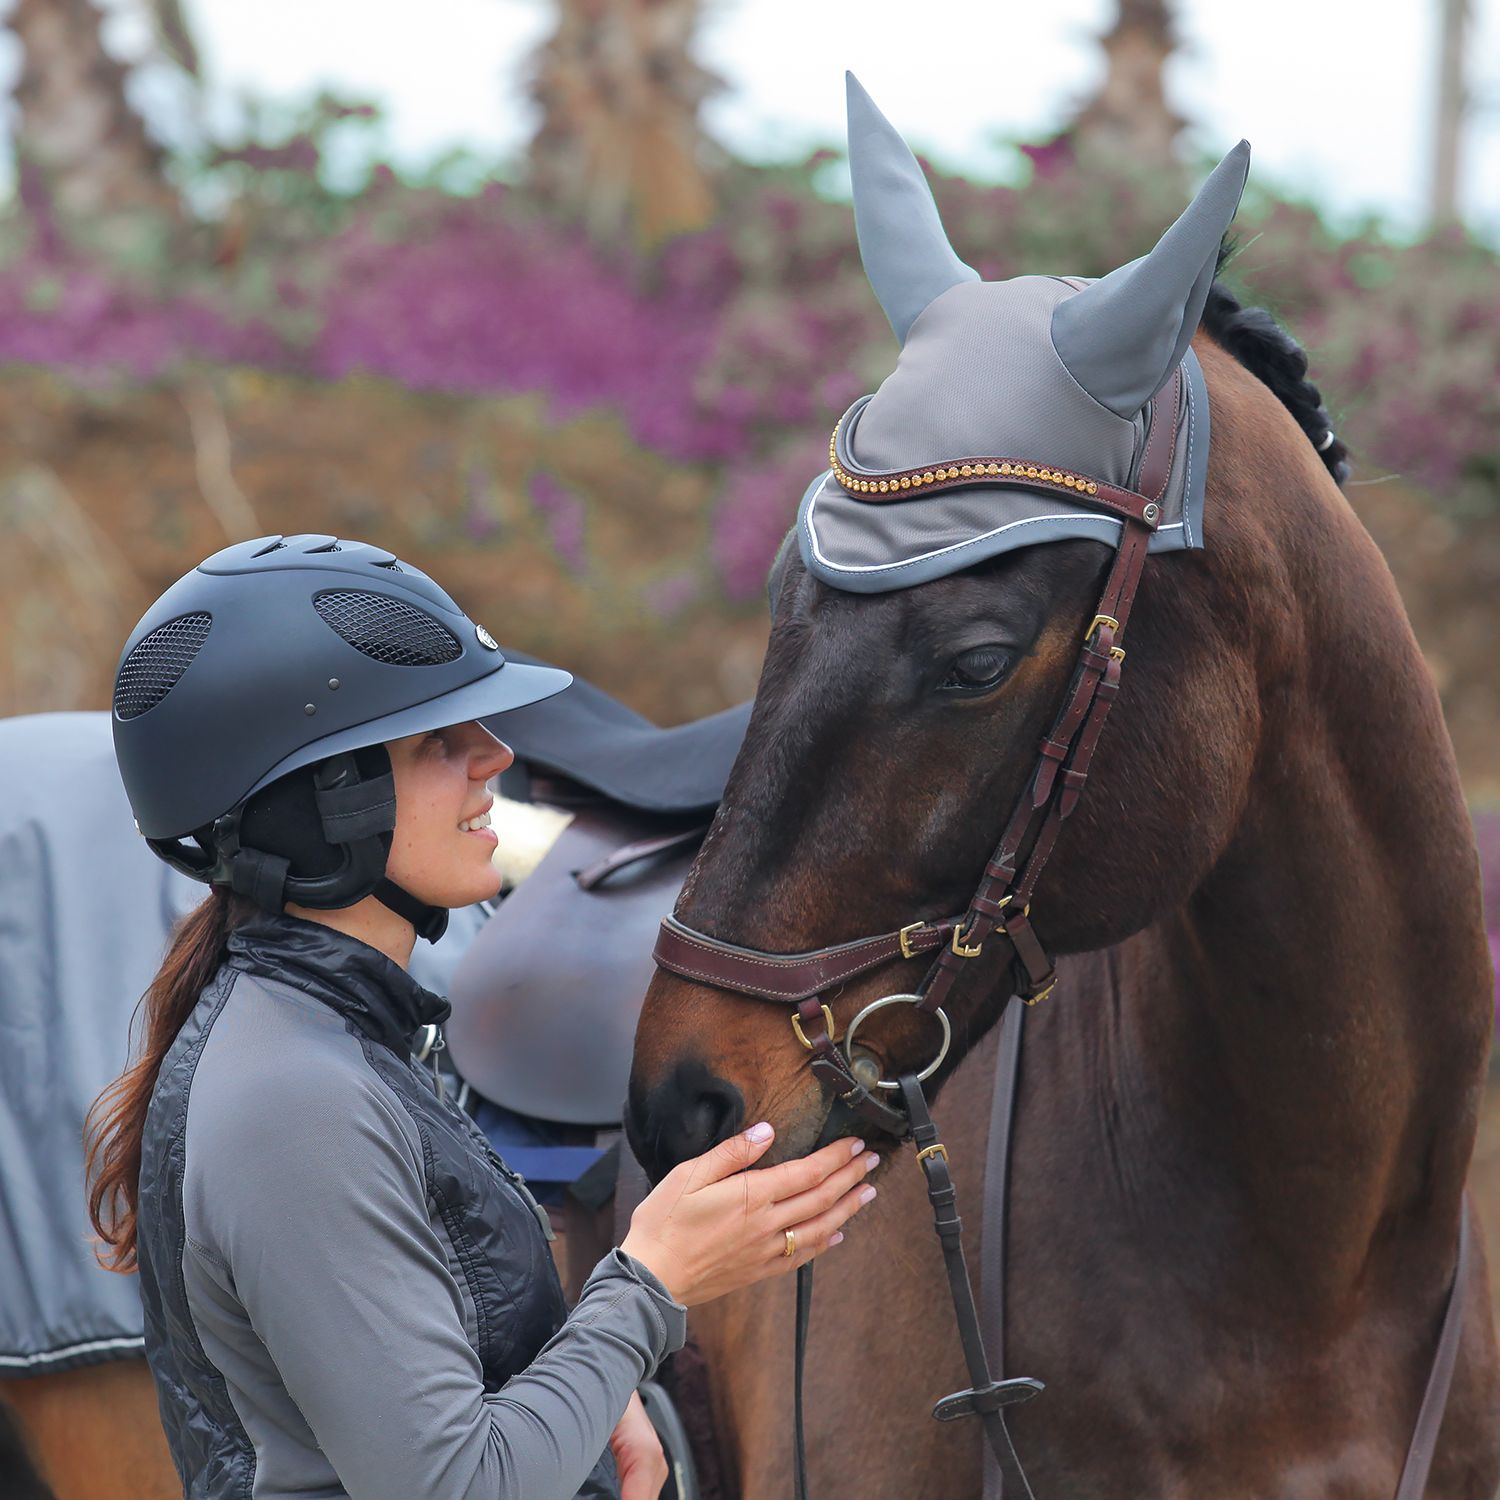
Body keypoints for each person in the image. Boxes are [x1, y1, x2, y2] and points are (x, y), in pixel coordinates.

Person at [86, 535, 878, 1500]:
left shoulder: (330, 1041)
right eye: (435, 743)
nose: (495, 757)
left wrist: (583, 1386)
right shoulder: (296, 1099)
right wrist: (649, 1283)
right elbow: (459, 1485)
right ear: (316, 806)